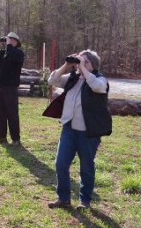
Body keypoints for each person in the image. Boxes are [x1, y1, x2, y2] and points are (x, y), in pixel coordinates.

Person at [47, 50, 112, 210]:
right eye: (79, 62)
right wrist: (67, 65)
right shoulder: (73, 79)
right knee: (60, 164)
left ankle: (85, 201)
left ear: (93, 65)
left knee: (86, 167)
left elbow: (97, 87)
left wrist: (83, 68)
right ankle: (63, 198)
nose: (80, 65)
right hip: (69, 129)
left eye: (85, 62)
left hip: (88, 133)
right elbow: (52, 80)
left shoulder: (99, 79)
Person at [0, 32, 24, 146]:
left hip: (11, 88)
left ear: (16, 42)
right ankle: (1, 137)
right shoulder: (1, 53)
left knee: (12, 114)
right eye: (8, 39)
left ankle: (15, 139)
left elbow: (12, 57)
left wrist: (10, 46)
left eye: (12, 40)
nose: (9, 41)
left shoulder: (18, 53)